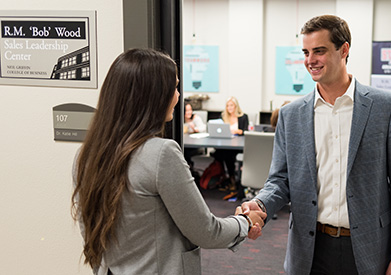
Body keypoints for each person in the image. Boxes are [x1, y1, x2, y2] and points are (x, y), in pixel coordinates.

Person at [242, 15, 391, 275]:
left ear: (344, 50)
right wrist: (261, 205)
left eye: (319, 51)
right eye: (306, 52)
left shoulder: (385, 106)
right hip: (310, 250)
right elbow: (280, 180)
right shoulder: (291, 115)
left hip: (368, 250)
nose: (310, 60)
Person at [71, 48, 266, 275]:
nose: (178, 96)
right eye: (173, 88)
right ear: (153, 96)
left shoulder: (86, 156)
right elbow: (205, 231)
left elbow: (90, 234)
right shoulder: (161, 154)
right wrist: (244, 221)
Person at [212, 96, 248, 192]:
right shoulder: (223, 116)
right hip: (226, 143)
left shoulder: (243, 117)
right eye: (227, 106)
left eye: (231, 105)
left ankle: (232, 179)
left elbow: (246, 131)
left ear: (236, 106)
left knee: (228, 155)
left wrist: (238, 131)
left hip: (238, 145)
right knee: (219, 153)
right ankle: (224, 178)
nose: (229, 108)